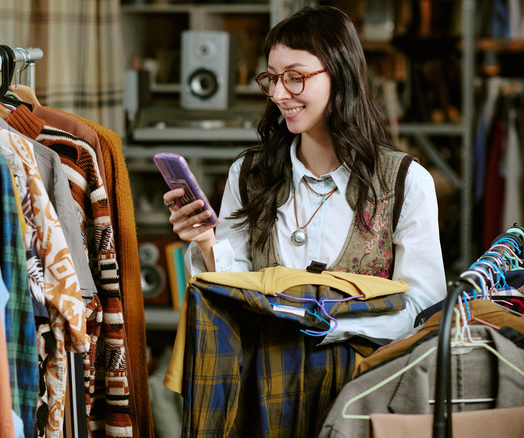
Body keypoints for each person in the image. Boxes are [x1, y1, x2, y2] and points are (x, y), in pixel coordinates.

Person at [162, 5, 447, 434]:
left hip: (359, 390)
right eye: (272, 78)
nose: (279, 93)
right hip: (262, 386)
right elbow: (235, 287)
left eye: (295, 76)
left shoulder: (406, 181)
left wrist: (330, 325)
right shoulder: (251, 173)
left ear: (341, 73)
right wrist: (205, 240)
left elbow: (422, 308)